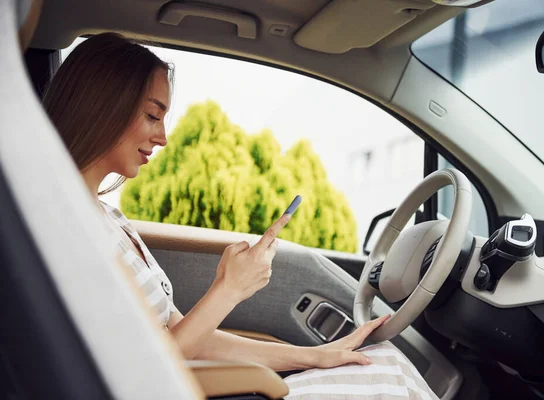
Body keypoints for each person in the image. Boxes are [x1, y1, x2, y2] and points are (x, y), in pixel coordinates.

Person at [43, 32, 438, 400]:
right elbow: (149, 366)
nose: (163, 137)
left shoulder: (106, 218)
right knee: (392, 377)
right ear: (102, 106)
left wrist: (315, 355)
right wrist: (229, 289)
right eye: (152, 115)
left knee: (384, 360)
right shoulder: (64, 227)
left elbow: (190, 339)